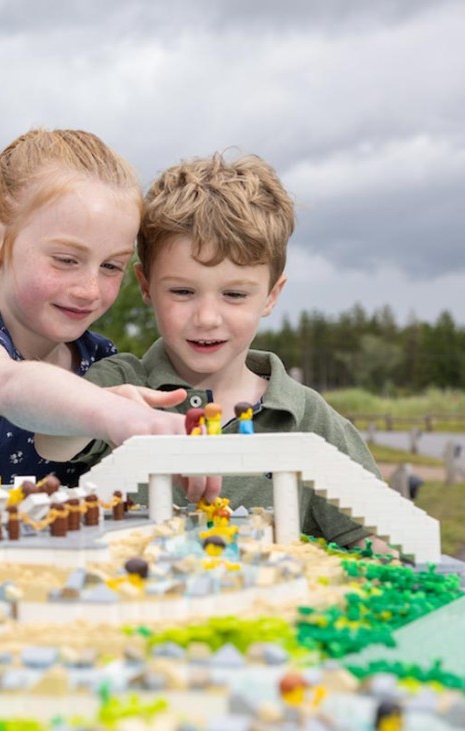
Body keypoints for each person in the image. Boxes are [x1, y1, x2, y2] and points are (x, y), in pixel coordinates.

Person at [34, 153, 378, 549]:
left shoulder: (309, 418)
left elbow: (378, 538)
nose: (207, 317)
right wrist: (107, 413)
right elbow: (51, 439)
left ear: (271, 295)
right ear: (146, 286)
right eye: (182, 291)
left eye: (234, 294)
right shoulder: (121, 382)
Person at [0, 128, 186, 486]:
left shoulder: (100, 359)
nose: (89, 290)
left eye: (111, 266)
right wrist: (109, 412)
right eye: (66, 260)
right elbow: (9, 385)